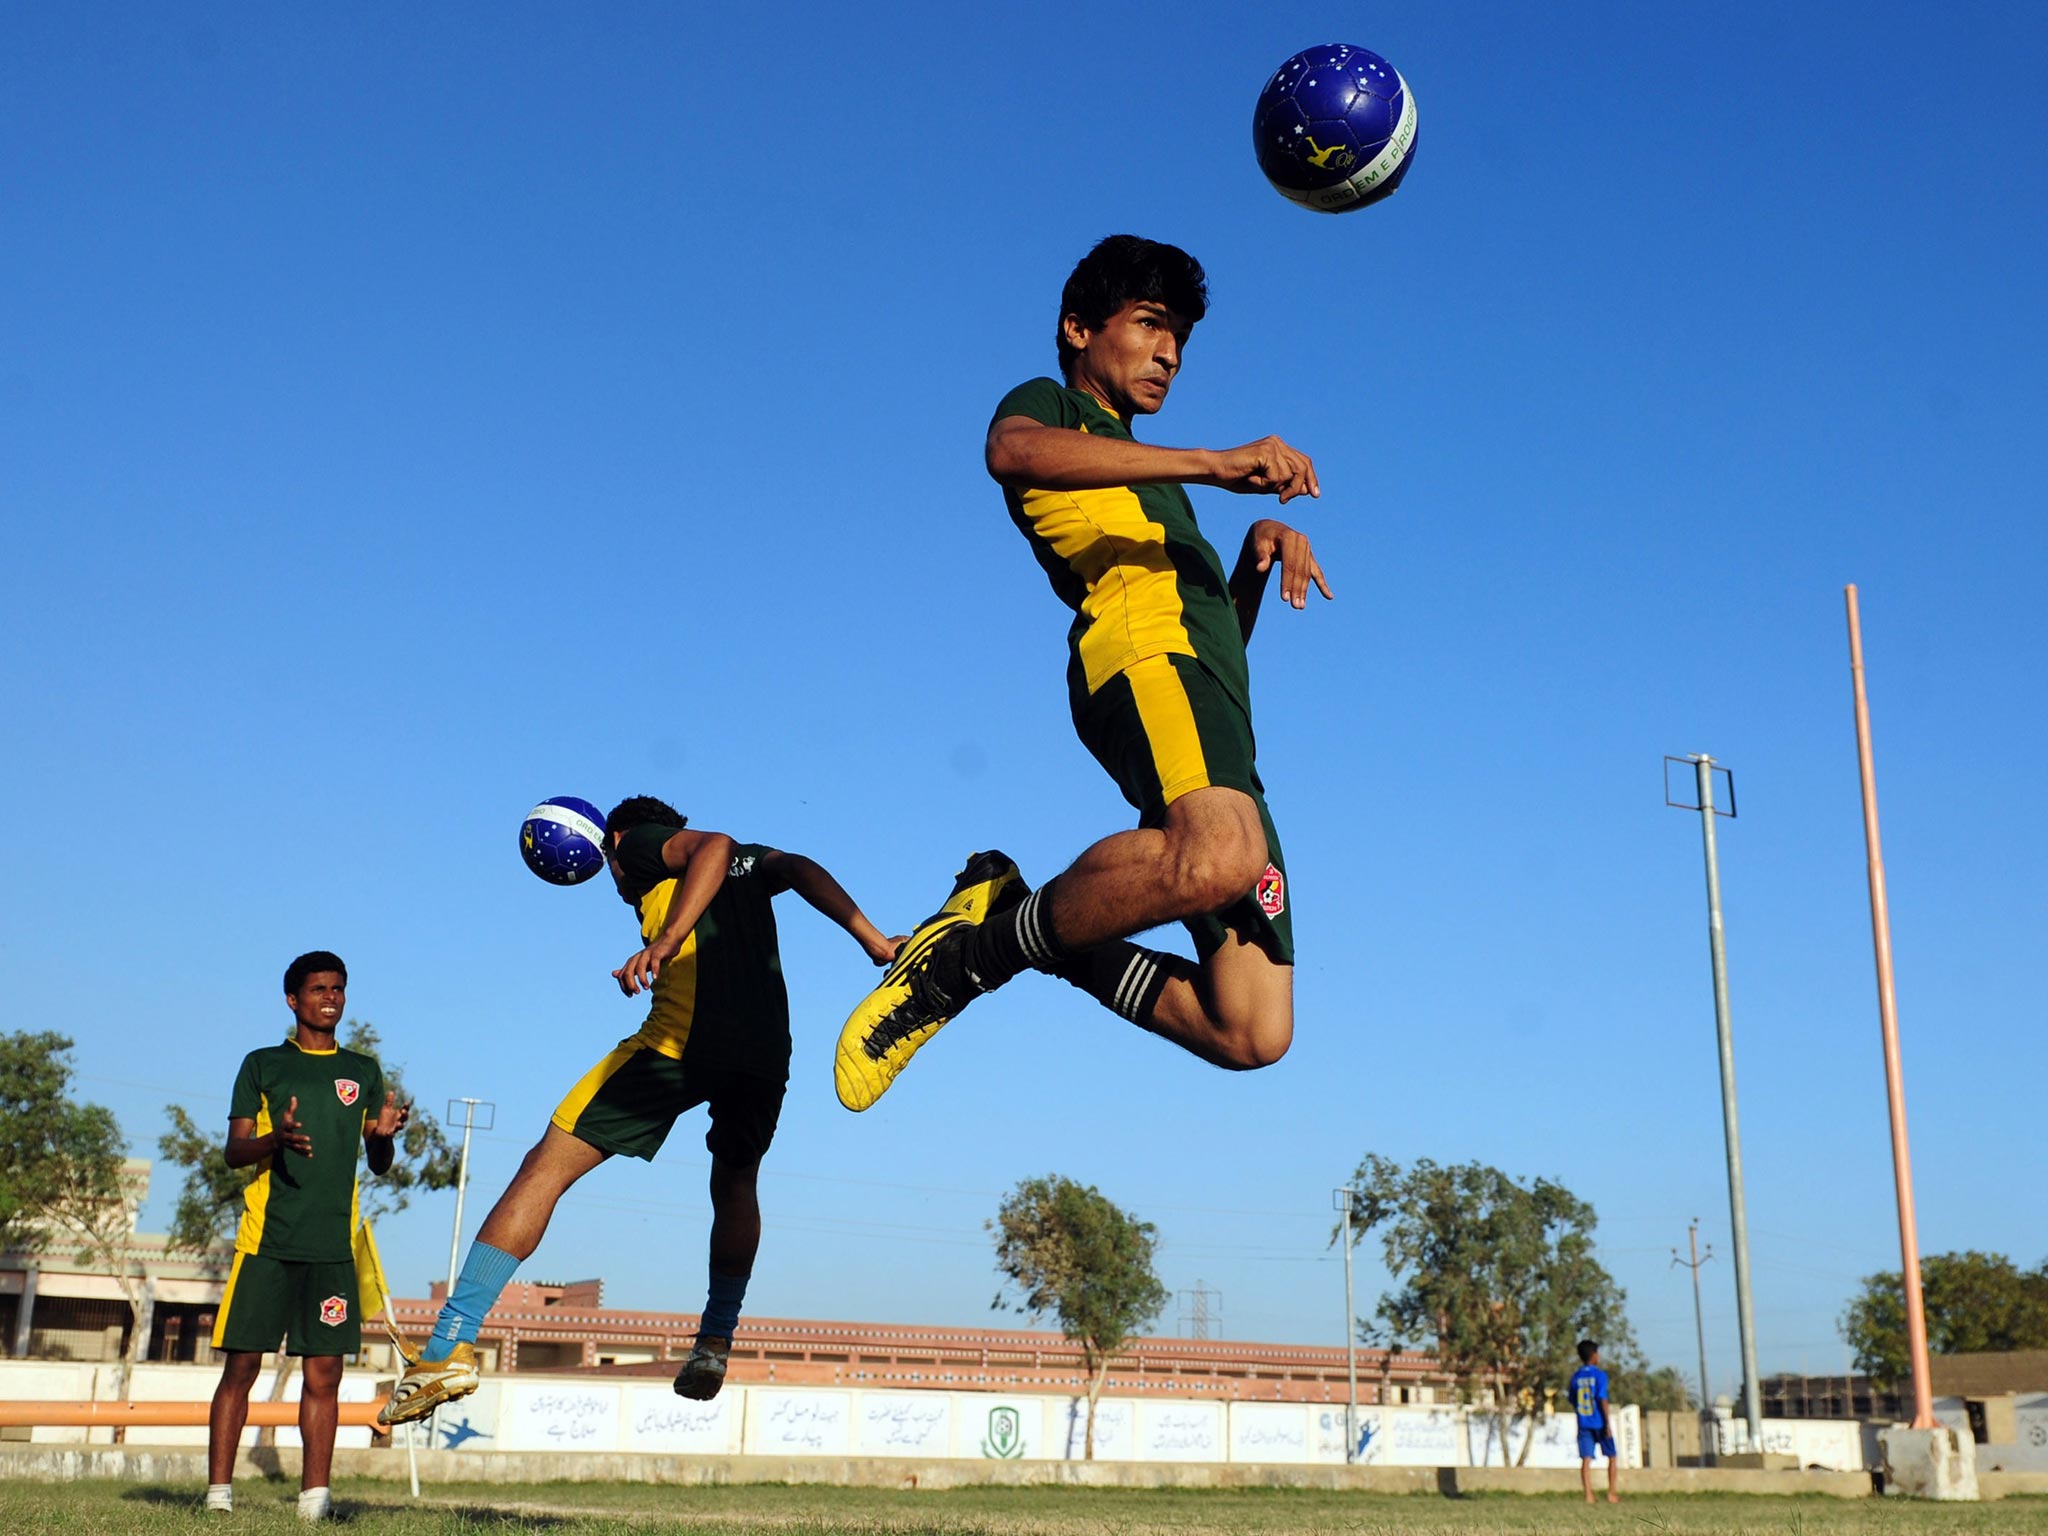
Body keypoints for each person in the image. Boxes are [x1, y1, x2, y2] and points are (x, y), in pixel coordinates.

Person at [837, 233, 1329, 1111]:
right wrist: (1216, 464)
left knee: (1252, 1028)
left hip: (1207, 708)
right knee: (1220, 853)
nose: (1170, 353)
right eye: (1149, 324)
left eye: (1180, 336)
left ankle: (1018, 915)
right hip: (1139, 660)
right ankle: (969, 962)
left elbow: (1216, 654)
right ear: (1077, 329)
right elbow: (1011, 451)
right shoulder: (1057, 413)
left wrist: (1248, 565)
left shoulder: (1157, 487)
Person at [380, 796, 899, 1425]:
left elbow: (712, 843)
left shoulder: (639, 844)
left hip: (680, 1042)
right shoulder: (749, 866)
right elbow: (797, 865)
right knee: (735, 1183)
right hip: (765, 1051)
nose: (614, 878)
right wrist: (872, 938)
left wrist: (668, 939)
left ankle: (447, 1346)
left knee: (544, 1167)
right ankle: (715, 1339)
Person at [205, 952, 409, 1521]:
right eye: (318, 989)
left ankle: (314, 1503)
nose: (331, 998)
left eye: (339, 988)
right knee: (241, 1369)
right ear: (292, 999)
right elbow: (233, 1151)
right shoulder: (263, 1064)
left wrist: (386, 1134)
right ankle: (218, 1497)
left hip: (332, 1248)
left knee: (325, 1375)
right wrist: (276, 1139)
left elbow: (379, 1160)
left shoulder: (364, 1070)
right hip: (266, 1243)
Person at [1570, 1337, 1621, 1503]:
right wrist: (1607, 1422)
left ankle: (1588, 1495)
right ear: (1593, 1355)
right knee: (1612, 1456)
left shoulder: (1576, 1377)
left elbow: (1572, 1399)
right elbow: (1602, 1398)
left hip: (1583, 1423)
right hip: (1599, 1422)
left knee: (1586, 1458)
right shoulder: (1600, 1375)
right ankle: (1611, 1493)